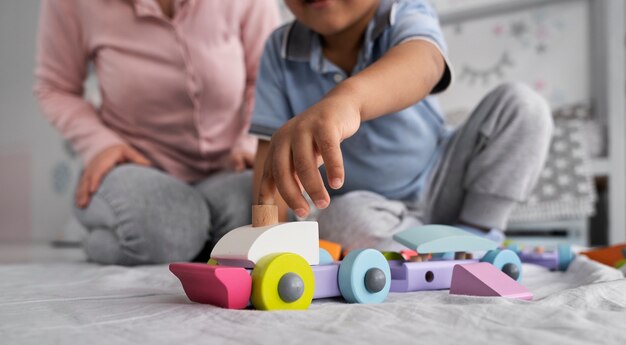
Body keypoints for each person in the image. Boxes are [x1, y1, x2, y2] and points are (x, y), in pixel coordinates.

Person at [252, 0, 552, 251]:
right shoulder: (280, 50)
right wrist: (267, 243)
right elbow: (272, 157)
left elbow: (426, 63)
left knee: (522, 105)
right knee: (338, 220)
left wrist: (349, 100)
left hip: (444, 177)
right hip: (369, 207)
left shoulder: (403, 10)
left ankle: (478, 235)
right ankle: (429, 246)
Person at [35, 0, 279, 264]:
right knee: (168, 223)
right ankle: (182, 239)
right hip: (134, 168)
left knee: (246, 211)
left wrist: (249, 142)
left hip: (225, 168)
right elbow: (55, 88)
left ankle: (188, 240)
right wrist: (100, 144)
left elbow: (268, 77)